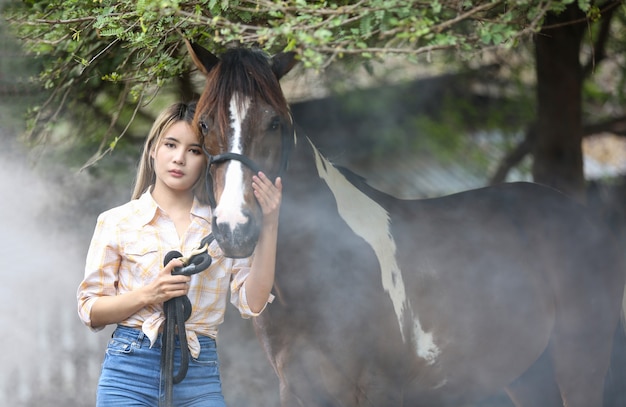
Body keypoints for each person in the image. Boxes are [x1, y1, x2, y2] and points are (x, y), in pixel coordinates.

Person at [77, 101, 282, 406]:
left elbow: (252, 301)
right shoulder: (116, 221)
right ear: (153, 150)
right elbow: (90, 309)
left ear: (207, 160)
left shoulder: (222, 223)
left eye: (194, 150)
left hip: (199, 372)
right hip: (128, 371)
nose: (179, 158)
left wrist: (270, 223)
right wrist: (150, 293)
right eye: (170, 144)